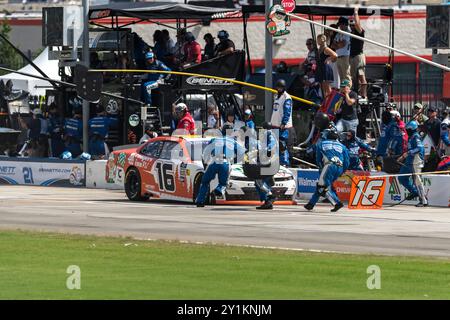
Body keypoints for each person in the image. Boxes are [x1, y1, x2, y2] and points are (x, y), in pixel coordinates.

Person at [195, 124, 245, 207]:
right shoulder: (234, 142)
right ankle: (218, 190)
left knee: (205, 181)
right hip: (225, 162)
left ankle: (200, 201)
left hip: (214, 162)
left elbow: (205, 153)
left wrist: (206, 163)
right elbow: (242, 154)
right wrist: (234, 161)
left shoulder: (214, 139)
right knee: (223, 183)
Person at [304, 128, 350, 212]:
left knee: (321, 187)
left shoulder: (320, 144)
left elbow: (318, 159)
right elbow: (347, 161)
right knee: (322, 185)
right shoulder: (342, 146)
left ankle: (337, 202)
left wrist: (321, 168)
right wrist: (343, 171)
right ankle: (311, 204)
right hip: (340, 167)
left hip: (329, 166)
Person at [397, 121, 429, 207]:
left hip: (416, 162)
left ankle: (423, 200)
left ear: (411, 129)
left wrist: (407, 154)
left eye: (407, 129)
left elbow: (419, 148)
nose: (406, 130)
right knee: (401, 177)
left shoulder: (416, 137)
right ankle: (414, 192)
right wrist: (404, 156)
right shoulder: (411, 137)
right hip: (409, 161)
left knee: (417, 181)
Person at [253, 122, 278, 210]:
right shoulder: (271, 135)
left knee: (258, 181)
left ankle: (270, 196)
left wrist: (265, 152)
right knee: (263, 182)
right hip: (271, 162)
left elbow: (270, 147)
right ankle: (267, 202)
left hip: (267, 162)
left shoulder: (269, 134)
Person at [271, 79, 294, 166]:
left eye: (281, 87)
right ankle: (277, 163)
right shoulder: (276, 96)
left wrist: (283, 123)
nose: (279, 89)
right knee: (274, 145)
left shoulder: (286, 97)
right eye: (278, 87)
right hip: (275, 125)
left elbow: (287, 112)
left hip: (283, 127)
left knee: (282, 145)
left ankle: (285, 163)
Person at [349, 7, 367, 98]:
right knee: (352, 77)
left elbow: (357, 24)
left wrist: (356, 12)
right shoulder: (349, 33)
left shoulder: (359, 32)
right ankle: (355, 94)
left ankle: (363, 95)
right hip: (351, 57)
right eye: (350, 25)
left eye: (353, 25)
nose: (352, 27)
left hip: (358, 56)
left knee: (361, 76)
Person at [332, 17, 352, 86]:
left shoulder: (347, 33)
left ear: (344, 24)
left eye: (340, 24)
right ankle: (343, 91)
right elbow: (333, 45)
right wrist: (338, 44)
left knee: (346, 76)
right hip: (338, 57)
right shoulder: (339, 33)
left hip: (345, 56)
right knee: (341, 77)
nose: (339, 26)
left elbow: (342, 44)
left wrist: (337, 44)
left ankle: (348, 91)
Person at [316, 34, 337, 98]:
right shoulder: (320, 49)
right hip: (321, 67)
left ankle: (330, 102)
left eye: (318, 39)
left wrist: (329, 59)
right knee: (323, 87)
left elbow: (335, 55)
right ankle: (326, 100)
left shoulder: (326, 48)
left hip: (325, 68)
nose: (317, 41)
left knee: (327, 86)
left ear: (323, 39)